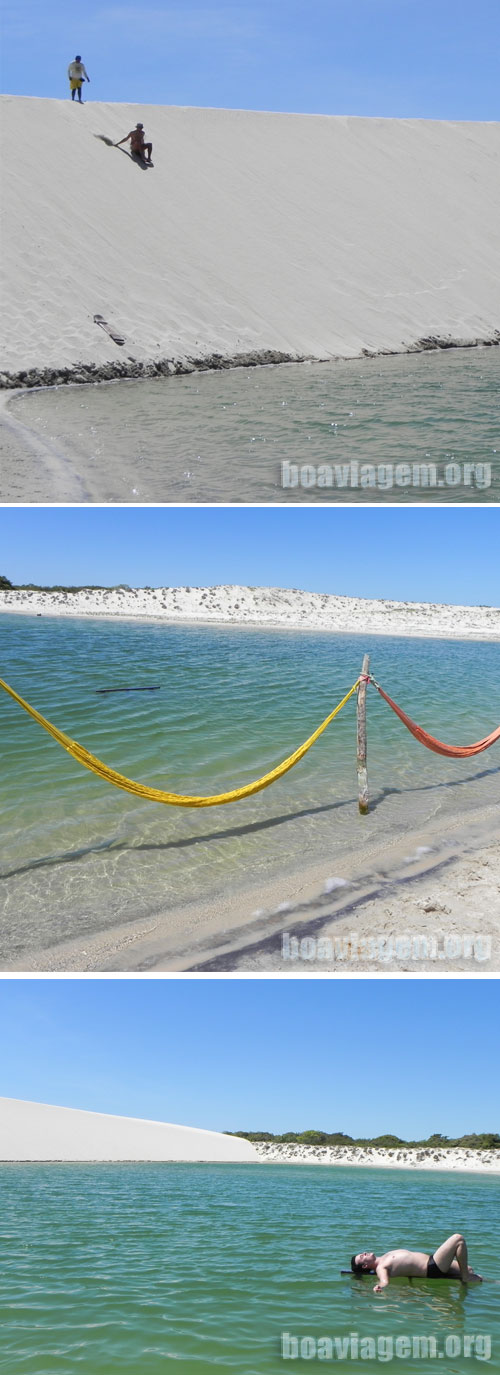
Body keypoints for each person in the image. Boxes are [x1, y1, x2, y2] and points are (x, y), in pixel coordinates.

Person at [351, 1234, 482, 1291]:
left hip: (432, 1261)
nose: (364, 1253)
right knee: (458, 1239)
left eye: (362, 1253)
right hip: (432, 1268)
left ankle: (467, 1277)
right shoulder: (381, 1267)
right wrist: (379, 1287)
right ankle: (465, 1278)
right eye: (361, 1257)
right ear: (365, 1265)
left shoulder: (385, 1256)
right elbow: (384, 1281)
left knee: (469, 1269)